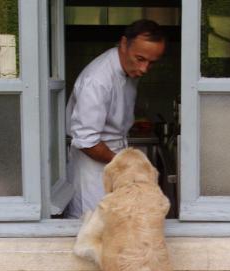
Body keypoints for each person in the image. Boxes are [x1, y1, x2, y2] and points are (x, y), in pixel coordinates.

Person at [64, 19, 166, 219]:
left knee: (117, 226)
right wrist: (126, 165)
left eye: (151, 62)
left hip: (112, 160)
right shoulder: (97, 80)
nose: (145, 69)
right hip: (92, 169)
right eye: (140, 59)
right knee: (94, 228)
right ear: (123, 44)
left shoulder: (129, 70)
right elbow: (87, 140)